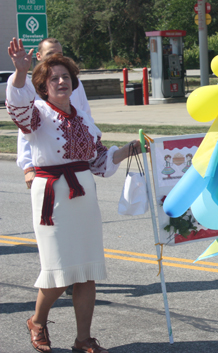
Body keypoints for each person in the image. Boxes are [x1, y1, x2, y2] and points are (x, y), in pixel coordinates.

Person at [6, 38, 145, 353]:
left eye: (65, 77)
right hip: (52, 195)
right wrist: (20, 74)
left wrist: (128, 150)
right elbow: (17, 108)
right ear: (43, 86)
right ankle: (38, 320)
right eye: (53, 78)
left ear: (73, 82)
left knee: (86, 272)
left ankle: (83, 339)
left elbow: (98, 162)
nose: (60, 81)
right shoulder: (37, 114)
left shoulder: (83, 120)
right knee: (59, 269)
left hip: (83, 197)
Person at [15, 38, 91, 190]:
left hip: (77, 166)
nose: (56, 57)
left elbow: (87, 118)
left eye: (60, 54)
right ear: (39, 56)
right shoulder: (32, 86)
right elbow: (25, 129)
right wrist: (28, 166)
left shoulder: (74, 84)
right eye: (50, 53)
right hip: (48, 167)